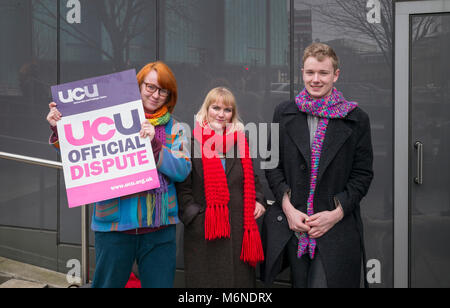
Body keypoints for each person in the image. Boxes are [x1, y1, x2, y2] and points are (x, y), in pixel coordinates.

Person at [46, 61, 191, 288]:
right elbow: (81, 151)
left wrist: (155, 145)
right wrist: (61, 126)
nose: (156, 94)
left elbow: (183, 171)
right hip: (115, 227)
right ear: (139, 86)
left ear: (170, 95)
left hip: (159, 229)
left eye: (163, 90)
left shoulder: (177, 128)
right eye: (150, 87)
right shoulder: (107, 117)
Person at [261, 43, 374, 288]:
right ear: (302, 72)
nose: (316, 79)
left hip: (336, 227)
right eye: (310, 72)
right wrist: (288, 209)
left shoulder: (356, 118)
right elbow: (271, 165)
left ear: (336, 75)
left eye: (323, 73)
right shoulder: (283, 112)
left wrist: (335, 214)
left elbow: (362, 176)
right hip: (294, 227)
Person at [176, 87, 266, 288]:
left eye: (227, 110)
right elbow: (183, 191)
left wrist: (258, 199)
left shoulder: (241, 142)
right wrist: (198, 219)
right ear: (206, 110)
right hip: (205, 234)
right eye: (215, 107)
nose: (221, 114)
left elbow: (253, 179)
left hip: (238, 233)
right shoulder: (191, 144)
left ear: (233, 114)